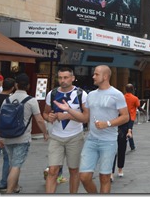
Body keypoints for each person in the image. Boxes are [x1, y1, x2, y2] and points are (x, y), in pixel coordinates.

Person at [55, 65, 129, 193]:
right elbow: (85, 118)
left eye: (96, 74)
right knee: (84, 176)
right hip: (91, 140)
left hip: (109, 141)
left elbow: (125, 117)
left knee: (104, 177)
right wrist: (69, 110)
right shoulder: (91, 95)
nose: (93, 76)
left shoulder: (117, 94)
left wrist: (108, 123)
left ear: (105, 76)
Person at [0, 73, 49, 193]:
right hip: (22, 137)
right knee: (16, 165)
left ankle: (15, 186)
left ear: (16, 85)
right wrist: (45, 132)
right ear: (28, 86)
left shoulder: (7, 100)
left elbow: (1, 120)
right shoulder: (31, 101)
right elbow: (40, 119)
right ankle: (10, 191)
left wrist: (0, 137)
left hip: (7, 137)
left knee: (12, 163)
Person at [42, 67, 87, 193]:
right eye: (60, 77)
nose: (63, 80)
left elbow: (86, 118)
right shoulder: (52, 93)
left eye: (66, 77)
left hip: (75, 137)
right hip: (56, 137)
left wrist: (67, 115)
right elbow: (45, 113)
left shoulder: (81, 94)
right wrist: (49, 117)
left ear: (72, 78)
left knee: (73, 170)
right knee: (52, 170)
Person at [0, 78, 15, 192]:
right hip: (7, 133)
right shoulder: (11, 100)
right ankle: (4, 183)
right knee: (7, 159)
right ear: (13, 87)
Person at [123, 83, 140, 152]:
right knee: (129, 130)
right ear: (132, 90)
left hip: (123, 116)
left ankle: (132, 145)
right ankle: (130, 145)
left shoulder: (122, 97)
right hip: (132, 116)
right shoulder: (135, 98)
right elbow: (138, 105)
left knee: (127, 130)